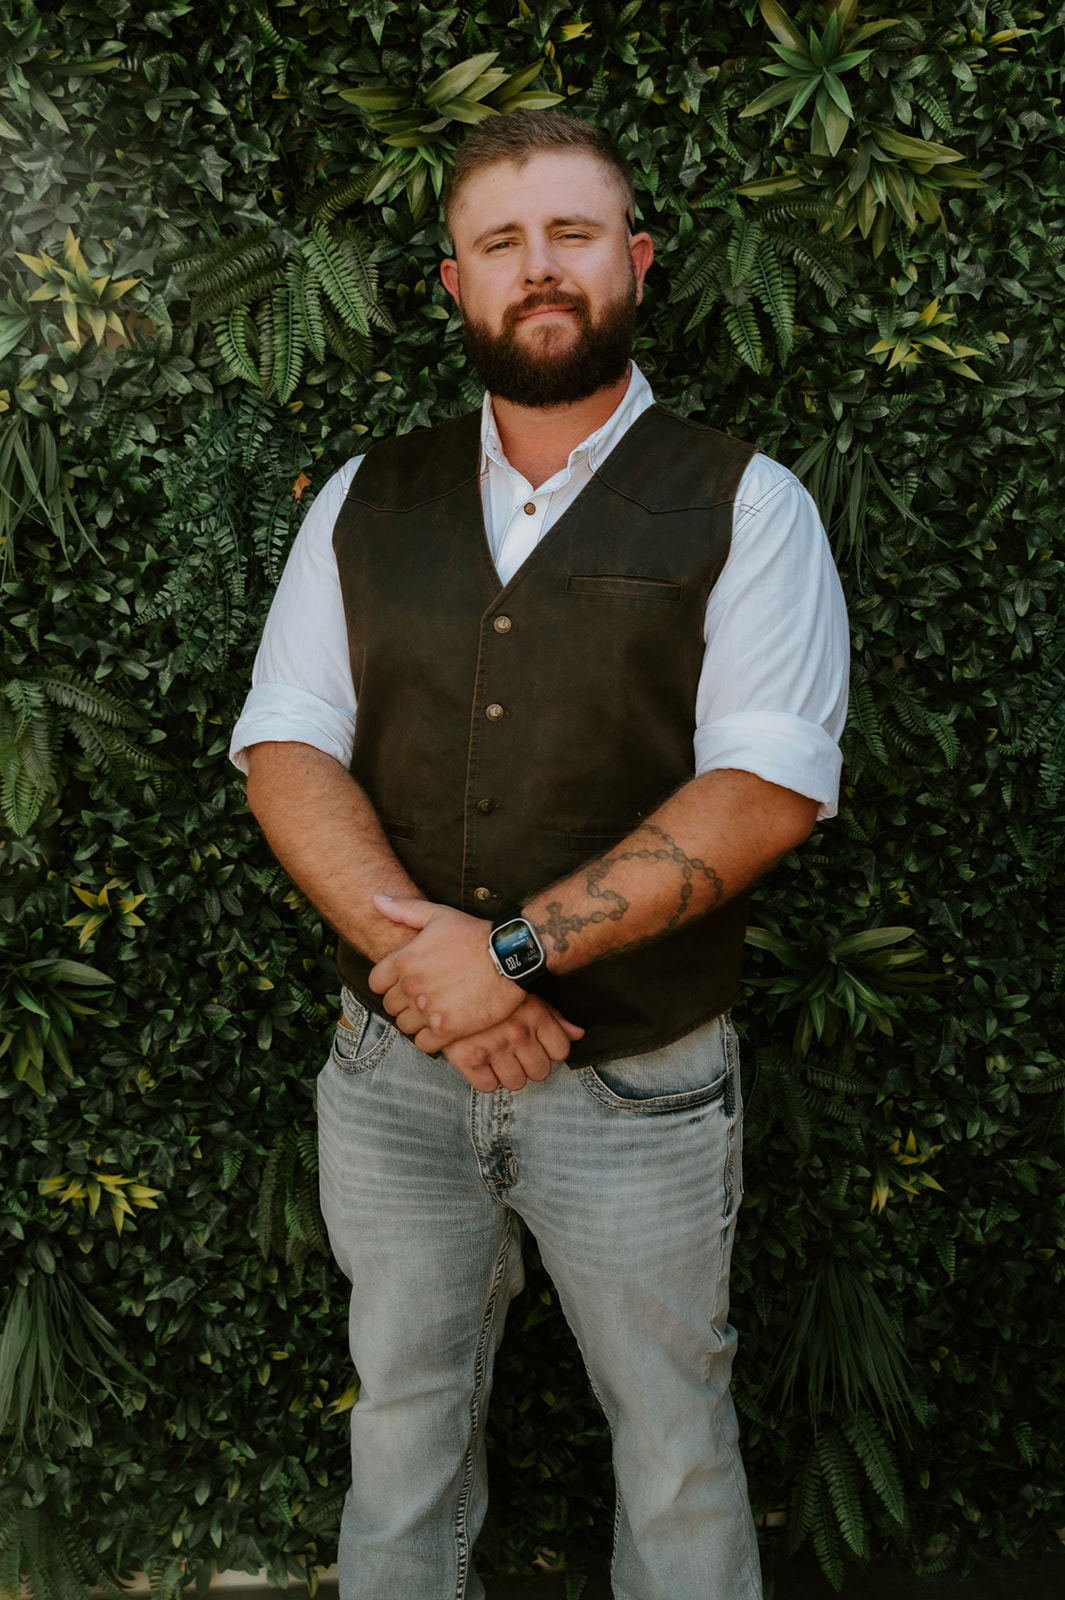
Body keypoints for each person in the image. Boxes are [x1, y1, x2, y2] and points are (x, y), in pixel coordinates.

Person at [230, 110, 848, 1600]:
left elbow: (765, 789)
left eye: (574, 232)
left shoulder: (748, 503)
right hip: (393, 1078)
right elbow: (286, 748)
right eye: (501, 242)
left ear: (637, 259)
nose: (541, 266)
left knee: (676, 1442)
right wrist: (432, 974)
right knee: (400, 1429)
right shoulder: (363, 496)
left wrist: (506, 955)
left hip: (637, 1084)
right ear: (457, 284)